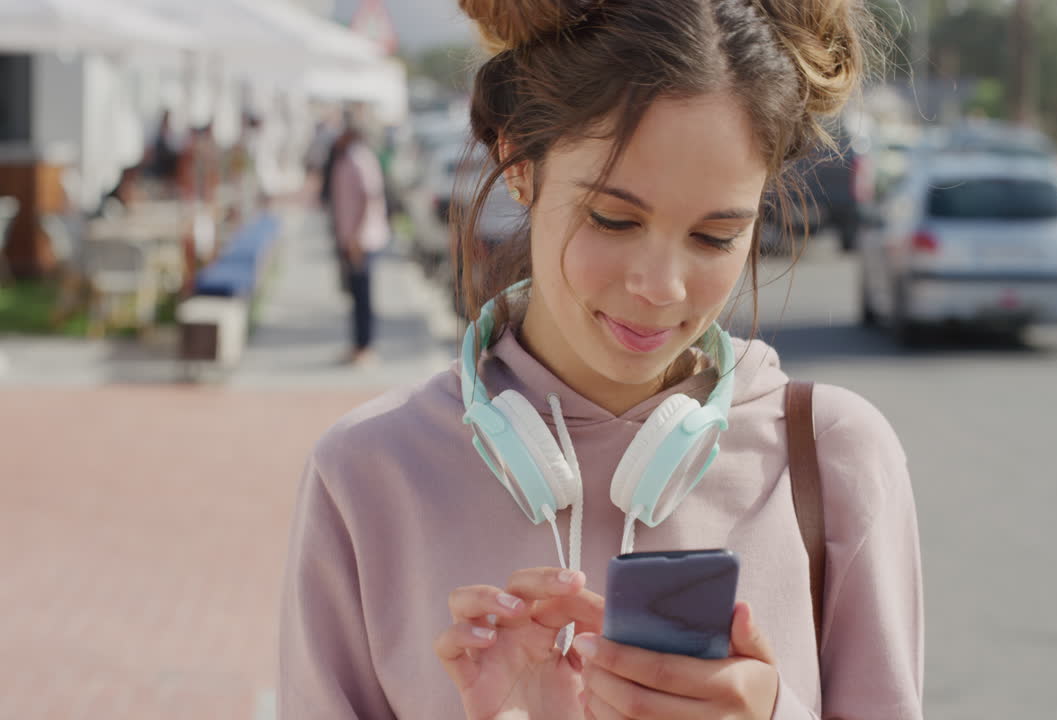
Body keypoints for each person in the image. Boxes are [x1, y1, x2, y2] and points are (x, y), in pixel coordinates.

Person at [278, 0, 922, 718]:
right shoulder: (368, 477)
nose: (661, 286)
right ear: (518, 162)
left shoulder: (832, 459)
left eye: (715, 237)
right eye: (614, 220)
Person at [328, 121, 390, 366]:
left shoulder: (358, 158)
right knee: (355, 293)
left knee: (362, 294)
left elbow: (367, 197)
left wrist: (355, 236)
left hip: (361, 239)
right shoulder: (351, 158)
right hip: (353, 237)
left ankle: (365, 346)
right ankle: (358, 344)